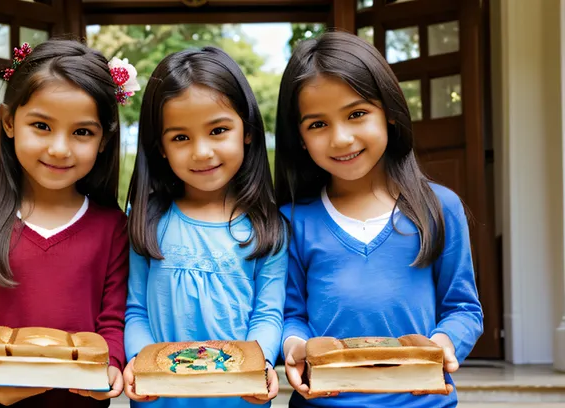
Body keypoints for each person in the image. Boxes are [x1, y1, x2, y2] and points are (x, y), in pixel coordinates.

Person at [274, 31, 484, 408]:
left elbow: (462, 308)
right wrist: (295, 346)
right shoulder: (291, 221)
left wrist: (442, 344)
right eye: (317, 124)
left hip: (423, 400)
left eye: (357, 114)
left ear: (388, 113)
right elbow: (291, 314)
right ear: (300, 139)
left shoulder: (439, 208)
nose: (341, 138)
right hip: (324, 400)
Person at [0, 39, 139, 407]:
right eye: (41, 125)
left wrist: (110, 366)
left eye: (82, 132)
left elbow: (113, 321)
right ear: (9, 121)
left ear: (104, 140)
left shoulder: (113, 228)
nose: (59, 148)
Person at [123, 46, 287, 408]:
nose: (201, 151)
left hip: (239, 399)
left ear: (247, 130)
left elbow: (268, 312)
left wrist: (260, 365)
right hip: (159, 397)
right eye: (180, 137)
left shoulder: (268, 226)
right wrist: (136, 359)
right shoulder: (146, 217)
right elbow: (136, 308)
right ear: (161, 147)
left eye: (218, 130)